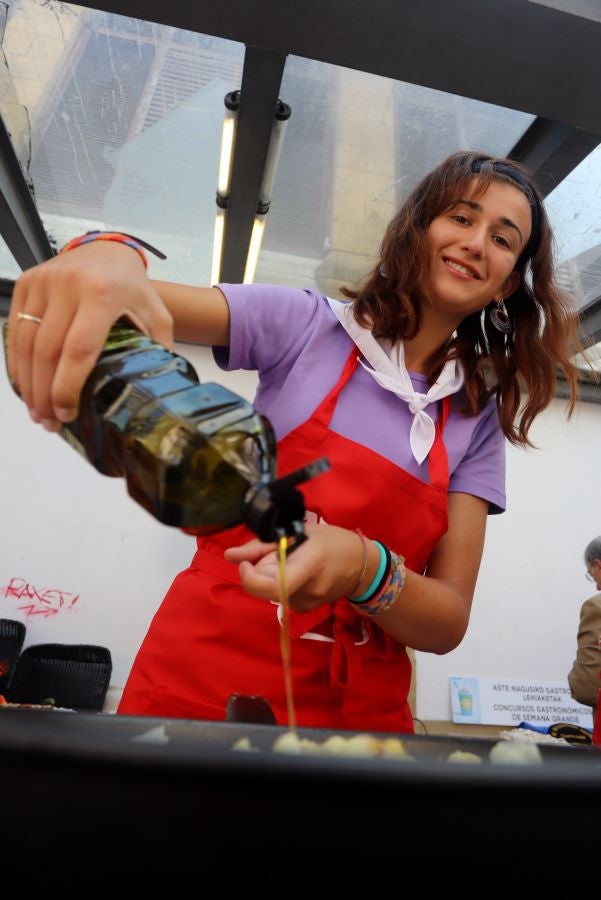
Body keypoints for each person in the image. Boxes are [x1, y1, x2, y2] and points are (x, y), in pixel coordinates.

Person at [6, 151, 585, 733]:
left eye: (503, 239)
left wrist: (365, 569)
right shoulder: (309, 327)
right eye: (461, 218)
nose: (477, 242)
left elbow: (447, 621)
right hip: (202, 685)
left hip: (360, 717)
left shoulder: (474, 419)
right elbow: (136, 300)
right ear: (420, 226)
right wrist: (109, 251)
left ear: (508, 284)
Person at [568, 536, 601, 736]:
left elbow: (588, 684)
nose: (597, 586)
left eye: (592, 575)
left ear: (598, 564)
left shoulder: (596, 607)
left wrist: (574, 679)